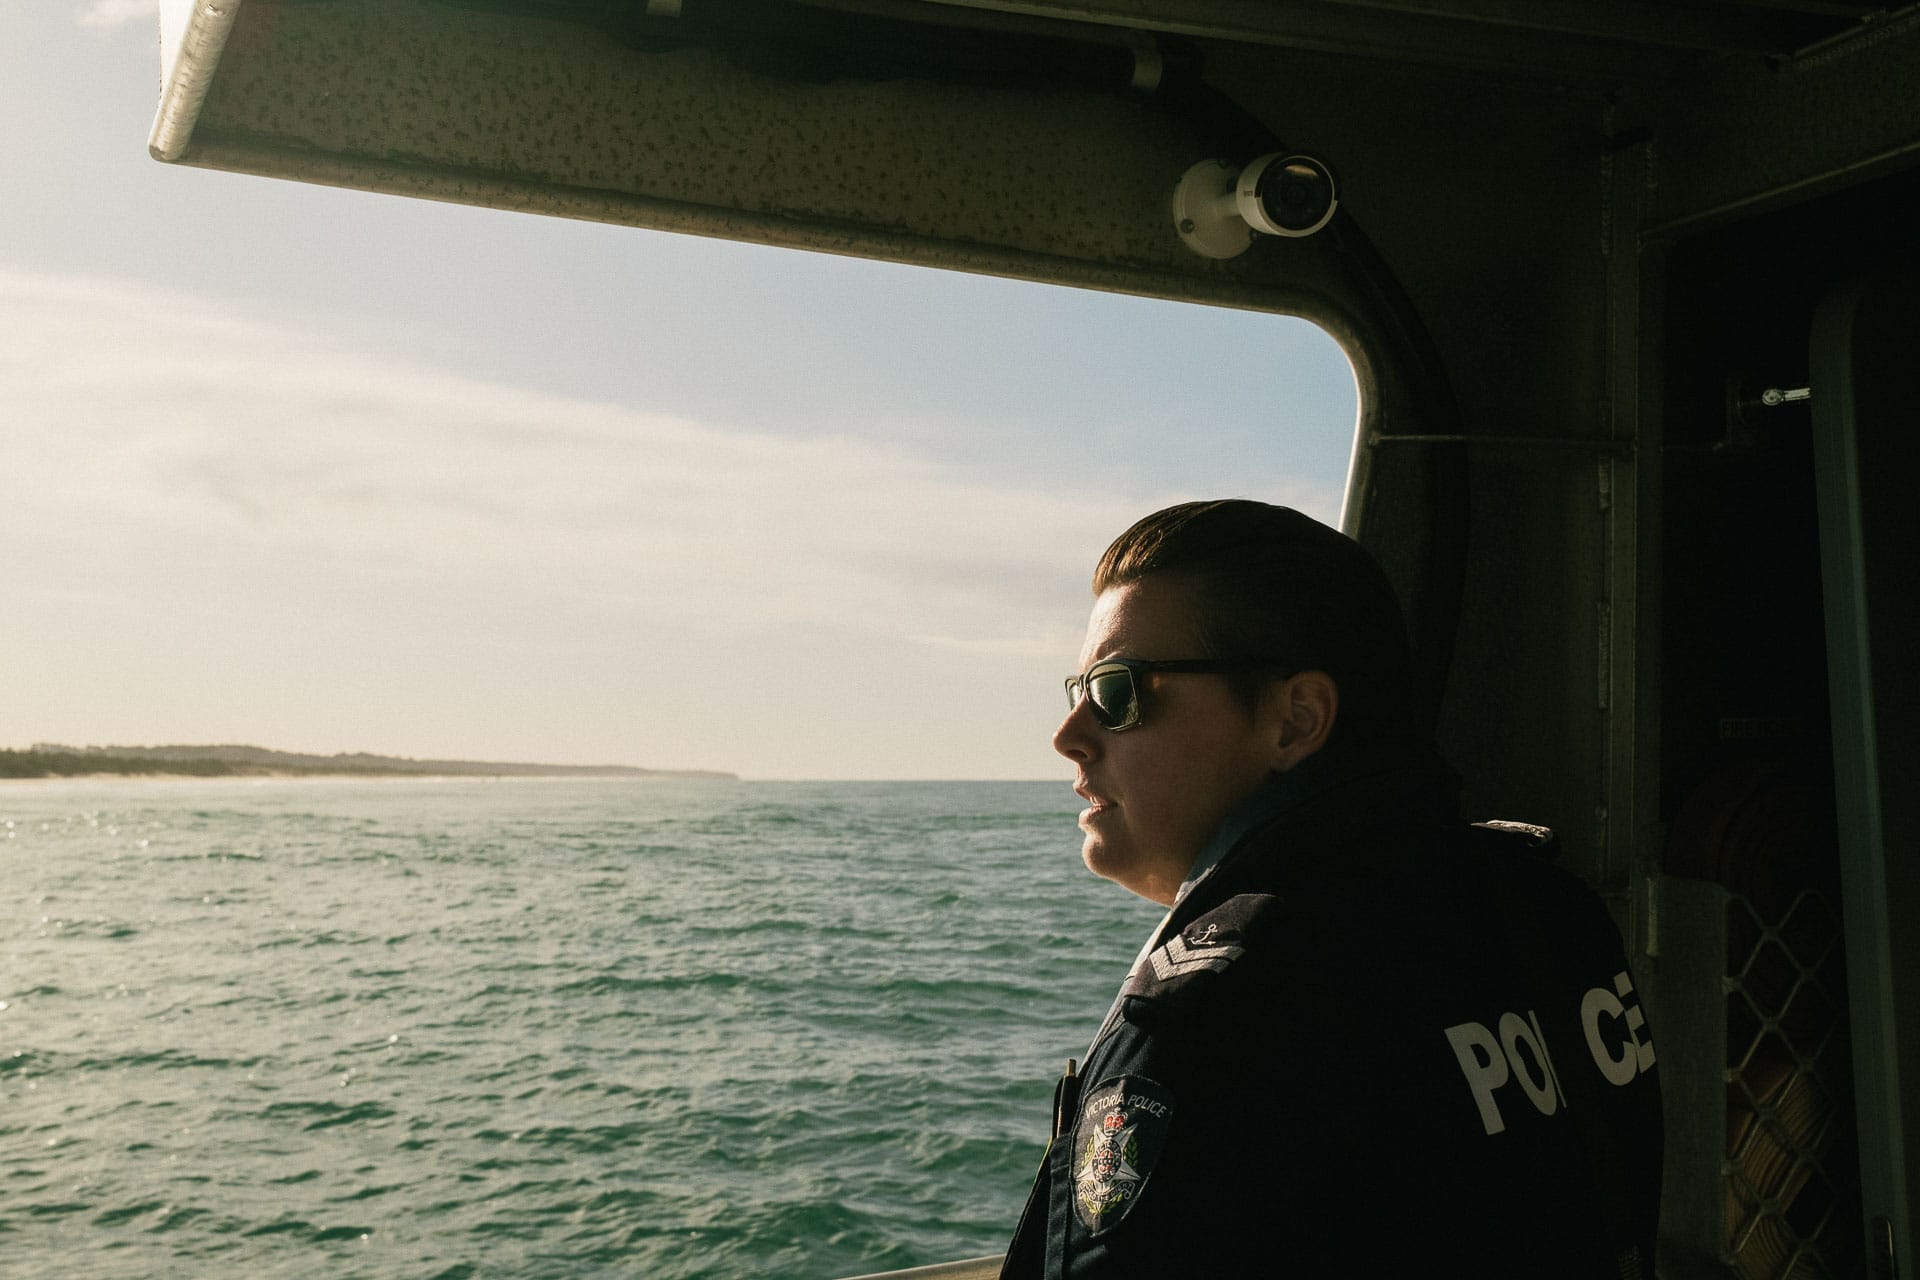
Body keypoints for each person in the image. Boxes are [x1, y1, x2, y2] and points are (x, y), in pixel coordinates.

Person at [998, 499, 1662, 1279]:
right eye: (1076, 689)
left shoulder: (1220, 1012)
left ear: (1296, 719)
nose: (1069, 734)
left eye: (1118, 690)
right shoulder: (1548, 914)